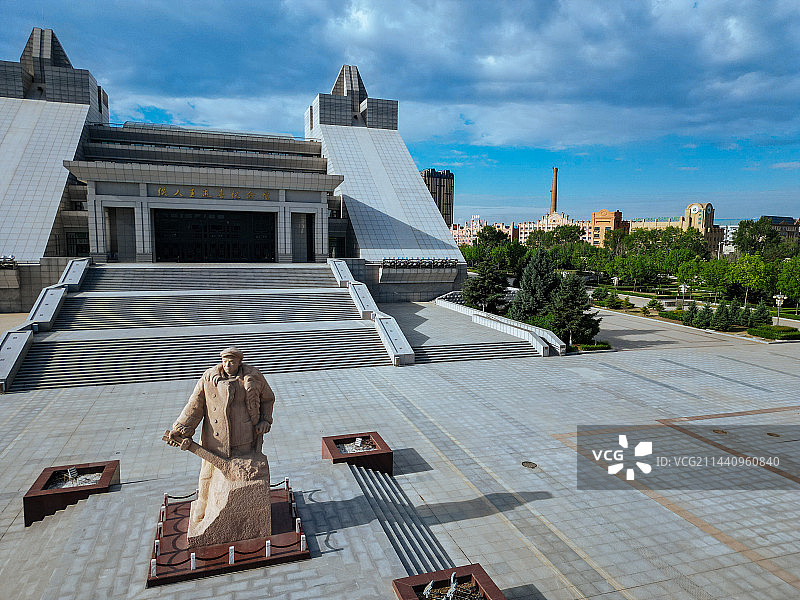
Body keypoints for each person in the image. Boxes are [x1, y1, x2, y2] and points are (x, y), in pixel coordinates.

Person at [167, 347, 275, 526]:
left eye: (231, 361)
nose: (227, 365)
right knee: (207, 473)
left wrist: (265, 420)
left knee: (243, 475)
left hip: (244, 435)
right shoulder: (209, 378)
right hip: (216, 438)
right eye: (225, 361)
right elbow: (195, 405)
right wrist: (181, 428)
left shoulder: (253, 377)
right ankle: (203, 501)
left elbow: (268, 399)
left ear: (239, 362)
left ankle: (245, 514)